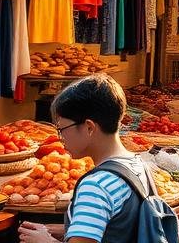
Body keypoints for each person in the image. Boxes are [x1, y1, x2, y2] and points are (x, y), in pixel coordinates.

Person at [18, 75, 169, 243]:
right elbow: (120, 226)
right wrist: (68, 230)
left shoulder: (96, 185)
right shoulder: (139, 164)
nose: (60, 138)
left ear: (89, 127)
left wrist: (45, 241)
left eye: (62, 129)